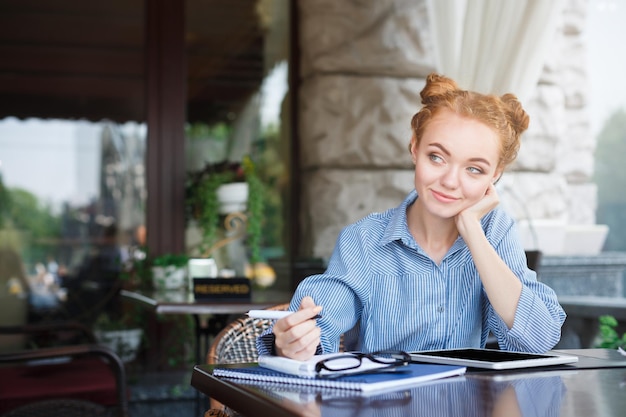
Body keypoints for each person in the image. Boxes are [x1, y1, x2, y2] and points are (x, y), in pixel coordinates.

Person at [258, 73, 566, 360]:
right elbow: (319, 325)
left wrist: (473, 231)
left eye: (475, 169)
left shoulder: (496, 231)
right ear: (414, 149)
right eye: (437, 157)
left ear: (495, 175)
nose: (450, 181)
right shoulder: (365, 241)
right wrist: (295, 342)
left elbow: (537, 340)